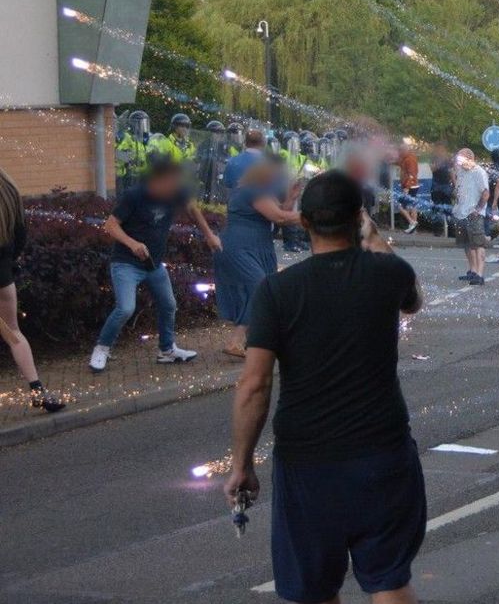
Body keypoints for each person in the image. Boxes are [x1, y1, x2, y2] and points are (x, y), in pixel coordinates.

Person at [224, 171, 425, 604]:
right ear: (357, 218)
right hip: (383, 452)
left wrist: (242, 464)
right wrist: (371, 234)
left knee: (313, 589)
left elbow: (254, 385)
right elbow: (414, 300)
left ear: (304, 222)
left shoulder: (277, 292)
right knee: (389, 579)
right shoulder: (388, 273)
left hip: (308, 463)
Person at [89, 158, 220, 373]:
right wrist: (132, 243)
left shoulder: (176, 192)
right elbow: (110, 226)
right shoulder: (135, 196)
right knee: (125, 308)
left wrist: (209, 235)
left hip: (153, 264)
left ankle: (166, 351)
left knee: (168, 304)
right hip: (126, 263)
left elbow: (193, 209)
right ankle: (102, 348)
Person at [215, 158, 301, 358]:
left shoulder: (258, 191)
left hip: (253, 246)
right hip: (242, 247)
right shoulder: (253, 191)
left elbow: (281, 213)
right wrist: (314, 215)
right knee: (259, 287)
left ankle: (258, 340)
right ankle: (236, 340)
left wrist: (291, 198)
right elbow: (279, 217)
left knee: (263, 289)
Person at [0, 167, 65, 413]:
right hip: (3, 277)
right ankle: (38, 390)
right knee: (14, 333)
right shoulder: (9, 190)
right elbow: (20, 237)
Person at [451, 148, 490, 286]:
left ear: (470, 158)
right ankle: (472, 270)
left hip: (474, 214)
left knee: (478, 244)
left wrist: (478, 209)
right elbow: (458, 189)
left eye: (460, 159)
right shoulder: (461, 172)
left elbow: (485, 193)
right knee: (467, 245)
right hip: (461, 212)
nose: (458, 163)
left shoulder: (479, 172)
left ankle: (479, 274)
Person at [398, 143, 420, 234]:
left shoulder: (409, 159)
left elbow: (411, 174)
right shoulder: (408, 158)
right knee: (413, 206)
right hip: (413, 185)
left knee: (400, 206)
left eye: (401, 150)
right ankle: (413, 228)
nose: (400, 152)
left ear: (405, 150)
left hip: (410, 186)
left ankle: (412, 222)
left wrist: (407, 187)